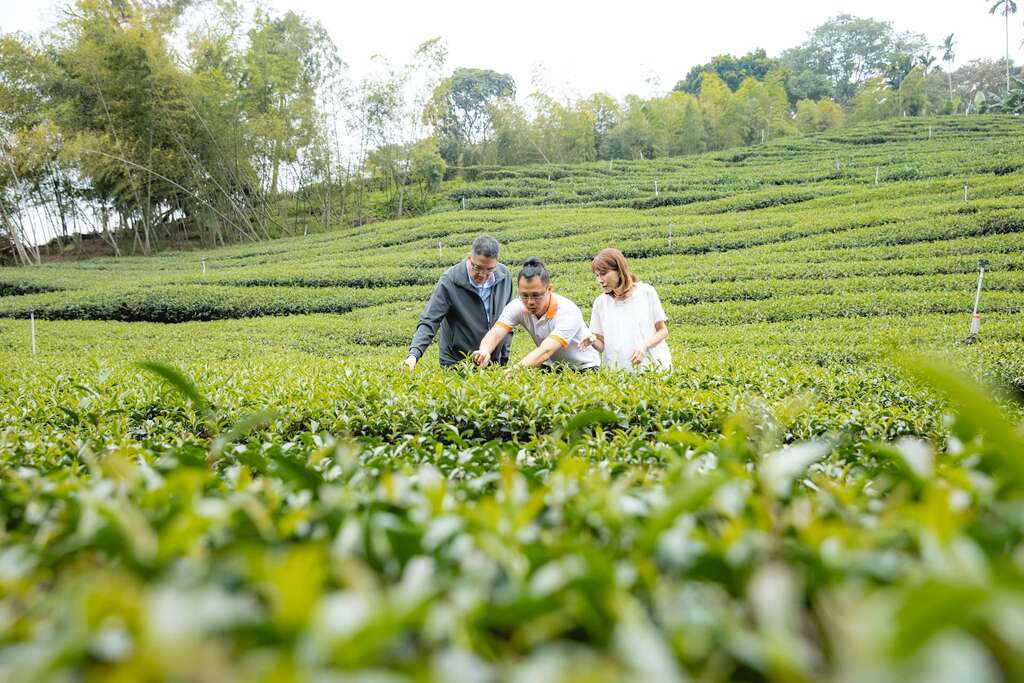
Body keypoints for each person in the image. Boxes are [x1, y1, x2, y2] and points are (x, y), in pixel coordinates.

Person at [403, 235, 513, 370]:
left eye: (489, 270)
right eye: (477, 267)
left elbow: (508, 320)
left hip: (493, 361)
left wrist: (504, 356)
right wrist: (413, 356)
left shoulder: (504, 277)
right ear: (469, 257)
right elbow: (430, 320)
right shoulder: (450, 281)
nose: (483, 275)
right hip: (457, 363)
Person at [474, 257, 600, 371]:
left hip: (584, 367)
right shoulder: (517, 306)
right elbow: (496, 333)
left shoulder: (568, 311)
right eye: (524, 295)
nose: (530, 302)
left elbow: (546, 350)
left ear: (549, 289)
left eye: (536, 295)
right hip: (552, 365)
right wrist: (484, 350)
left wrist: (514, 371)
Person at [580, 248, 671, 371]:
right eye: (597, 275)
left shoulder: (646, 292)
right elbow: (602, 346)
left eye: (603, 274)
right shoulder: (600, 303)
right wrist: (592, 340)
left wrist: (644, 345)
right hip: (618, 372)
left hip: (651, 367)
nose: (600, 280)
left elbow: (662, 331)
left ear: (619, 270)